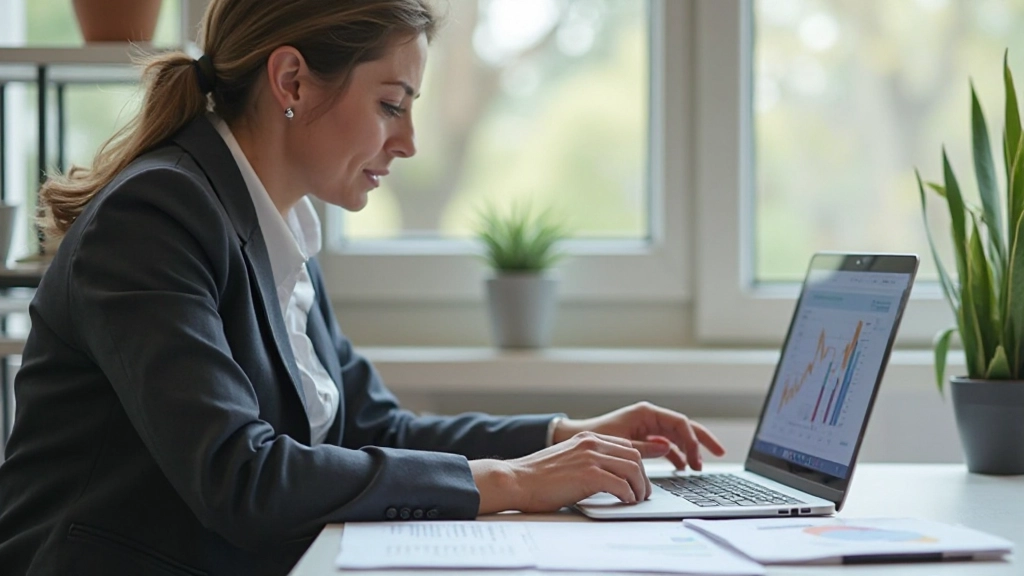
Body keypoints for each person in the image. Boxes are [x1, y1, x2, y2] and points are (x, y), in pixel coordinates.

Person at [0, 1, 725, 575]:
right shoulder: (155, 217)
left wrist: (565, 436)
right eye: (391, 103)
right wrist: (508, 482)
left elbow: (376, 430)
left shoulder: (278, 223)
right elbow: (240, 476)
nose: (408, 141)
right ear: (291, 82)